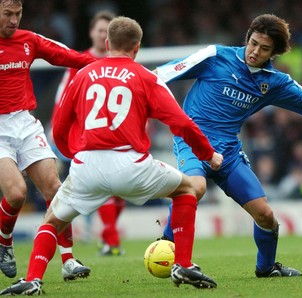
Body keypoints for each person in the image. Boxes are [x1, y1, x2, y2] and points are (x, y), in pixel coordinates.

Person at [0, 16, 223, 295]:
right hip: (131, 165)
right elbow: (182, 123)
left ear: (106, 43)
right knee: (187, 189)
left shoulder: (82, 75)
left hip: (87, 166)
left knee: (52, 222)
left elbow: (59, 126)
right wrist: (208, 154)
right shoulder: (146, 77)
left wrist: (74, 153)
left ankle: (32, 279)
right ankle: (183, 264)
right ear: (137, 48)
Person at [154, 13, 302, 278]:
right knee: (196, 188)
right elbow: (160, 75)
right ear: (248, 37)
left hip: (228, 151)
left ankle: (266, 268)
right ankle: (170, 246)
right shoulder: (215, 56)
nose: (255, 51)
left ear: (274, 53)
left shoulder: (274, 82)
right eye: (253, 43)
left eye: (264, 49)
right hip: (193, 140)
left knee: (265, 216)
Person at [0, 0, 96, 281]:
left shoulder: (28, 40)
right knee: (16, 193)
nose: (14, 20)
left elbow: (68, 56)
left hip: (25, 123)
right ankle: (4, 241)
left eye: (18, 14)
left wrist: (105, 65)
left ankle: (68, 260)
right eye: (7, 14)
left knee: (56, 188)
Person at [51, 10, 125, 256]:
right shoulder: (79, 61)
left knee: (122, 189)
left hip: (121, 132)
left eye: (108, 30)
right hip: (89, 135)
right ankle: (110, 239)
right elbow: (63, 97)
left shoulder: (122, 61)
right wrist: (56, 127)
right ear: (92, 32)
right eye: (100, 29)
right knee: (103, 185)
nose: (103, 33)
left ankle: (108, 237)